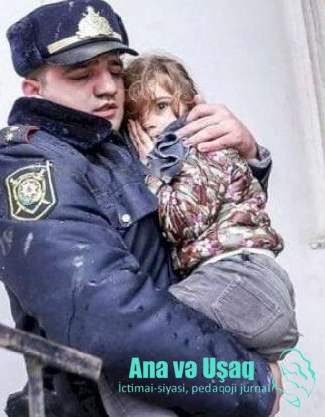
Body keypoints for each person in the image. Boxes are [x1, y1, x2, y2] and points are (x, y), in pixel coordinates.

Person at [0, 1, 282, 416]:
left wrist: (244, 155)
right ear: (35, 90)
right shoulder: (32, 170)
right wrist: (246, 383)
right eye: (81, 74)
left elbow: (202, 233)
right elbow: (111, 320)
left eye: (115, 70)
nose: (107, 87)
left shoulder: (122, 143)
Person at [123, 54, 299, 361]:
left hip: (238, 276)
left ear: (190, 103)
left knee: (145, 328)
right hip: (227, 279)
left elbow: (182, 221)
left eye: (161, 106)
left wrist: (153, 172)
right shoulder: (177, 156)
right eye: (139, 114)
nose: (150, 121)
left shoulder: (201, 149)